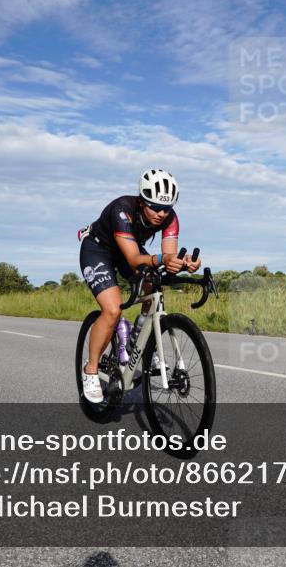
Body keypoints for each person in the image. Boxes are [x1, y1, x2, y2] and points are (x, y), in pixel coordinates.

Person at [77, 169, 200, 403]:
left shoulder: (170, 217)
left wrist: (184, 264)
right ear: (142, 201)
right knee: (112, 310)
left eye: (167, 208)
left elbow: (168, 258)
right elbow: (134, 259)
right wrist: (163, 260)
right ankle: (91, 370)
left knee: (156, 283)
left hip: (128, 251)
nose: (161, 214)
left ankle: (138, 339)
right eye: (155, 207)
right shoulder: (121, 210)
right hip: (98, 250)